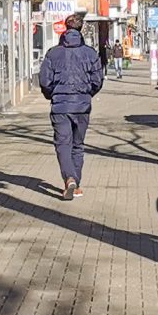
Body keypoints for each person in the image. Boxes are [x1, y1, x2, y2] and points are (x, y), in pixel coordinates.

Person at [35, 14, 105, 200]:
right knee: (78, 146)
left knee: (63, 145)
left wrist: (52, 95)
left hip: (60, 107)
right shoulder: (91, 53)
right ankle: (75, 183)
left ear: (65, 28)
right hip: (82, 106)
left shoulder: (53, 53)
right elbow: (98, 80)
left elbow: (44, 80)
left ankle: (70, 179)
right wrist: (87, 94)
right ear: (81, 29)